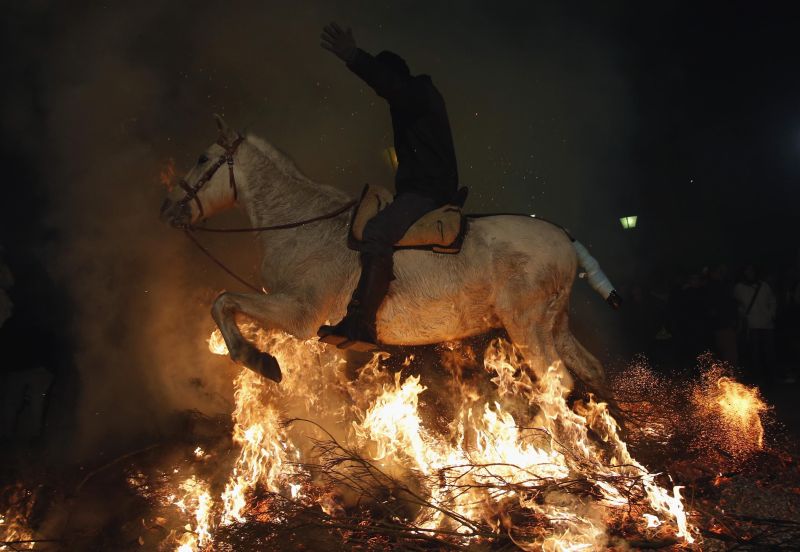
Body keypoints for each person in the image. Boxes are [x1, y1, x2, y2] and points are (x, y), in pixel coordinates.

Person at [317, 23, 459, 349]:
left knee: (378, 231)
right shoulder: (415, 101)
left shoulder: (417, 92)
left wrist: (353, 56)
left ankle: (361, 322)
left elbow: (390, 85)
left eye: (385, 82)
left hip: (427, 192)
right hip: (422, 188)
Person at [734, 264, 777, 385]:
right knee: (755, 353)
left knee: (768, 352)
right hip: (751, 325)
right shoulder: (739, 288)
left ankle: (770, 377)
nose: (750, 273)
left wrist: (771, 314)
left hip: (766, 324)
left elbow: (772, 300)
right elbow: (737, 305)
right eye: (747, 271)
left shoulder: (764, 286)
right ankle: (758, 377)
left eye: (752, 271)